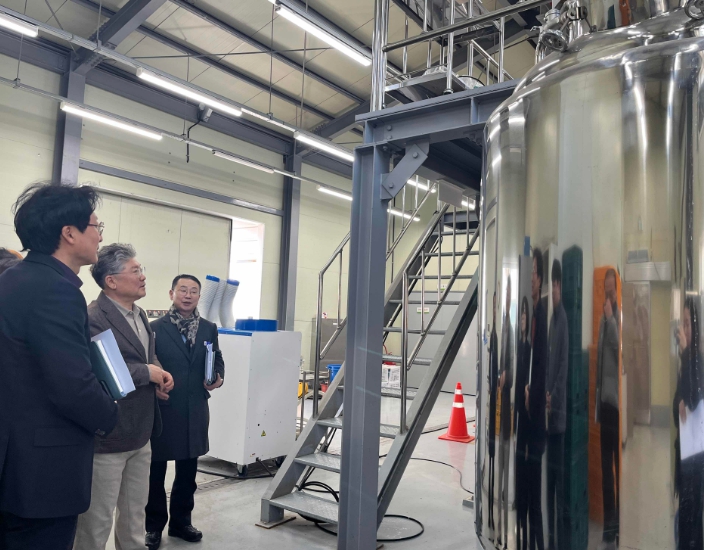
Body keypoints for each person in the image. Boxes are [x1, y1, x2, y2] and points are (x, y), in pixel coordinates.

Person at [0, 183, 118, 549]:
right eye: (96, 226)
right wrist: (110, 413)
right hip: (42, 472)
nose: (100, 236)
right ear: (69, 233)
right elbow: (72, 386)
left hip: (15, 462)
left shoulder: (13, 279)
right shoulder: (56, 290)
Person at [74, 244, 174, 550]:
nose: (143, 276)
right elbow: (98, 370)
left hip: (141, 433)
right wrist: (147, 373)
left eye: (141, 270)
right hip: (109, 437)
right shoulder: (94, 317)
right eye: (135, 271)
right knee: (96, 523)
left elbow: (146, 355)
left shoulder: (139, 314)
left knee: (134, 519)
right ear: (111, 281)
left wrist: (159, 373)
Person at [145, 275, 225, 549]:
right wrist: (153, 386)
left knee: (188, 473)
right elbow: (147, 362)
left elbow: (217, 357)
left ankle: (181, 523)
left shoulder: (208, 328)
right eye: (183, 290)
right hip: (165, 407)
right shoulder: (155, 328)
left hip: (195, 408)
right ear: (172, 294)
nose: (188, 295)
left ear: (199, 296)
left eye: (193, 291)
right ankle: (154, 527)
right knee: (155, 472)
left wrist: (218, 377)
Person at [674, 298, 704, 550]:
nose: (685, 329)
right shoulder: (686, 362)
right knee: (684, 528)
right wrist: (678, 404)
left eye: (688, 323)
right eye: (683, 324)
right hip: (684, 460)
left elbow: (693, 399)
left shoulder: (698, 362)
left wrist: (685, 354)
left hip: (696, 465)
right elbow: (678, 406)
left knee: (693, 529)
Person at [596, 268, 620, 550]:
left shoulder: (616, 317)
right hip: (604, 404)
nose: (609, 293)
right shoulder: (603, 319)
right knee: (605, 472)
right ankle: (608, 531)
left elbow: (618, 348)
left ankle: (618, 528)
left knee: (617, 471)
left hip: (616, 407)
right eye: (606, 288)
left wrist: (612, 317)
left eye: (612, 289)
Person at [525, 248, 548, 550]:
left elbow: (542, 364)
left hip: (537, 417)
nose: (529, 277)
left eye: (532, 272)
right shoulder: (531, 313)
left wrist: (534, 392)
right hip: (529, 413)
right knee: (529, 489)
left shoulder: (541, 315)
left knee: (536, 492)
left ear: (540, 280)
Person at [546, 260, 569, 550]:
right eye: (550, 284)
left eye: (555, 284)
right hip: (549, 415)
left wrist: (553, 396)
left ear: (560, 286)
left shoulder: (562, 320)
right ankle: (551, 539)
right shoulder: (552, 320)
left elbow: (563, 367)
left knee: (559, 484)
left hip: (558, 417)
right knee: (549, 483)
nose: (552, 289)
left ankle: (560, 541)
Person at [497, 277, 513, 549]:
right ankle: (498, 488)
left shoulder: (509, 326)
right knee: (498, 444)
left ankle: (504, 490)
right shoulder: (501, 326)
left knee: (506, 443)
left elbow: (510, 360)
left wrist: (506, 374)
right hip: (498, 394)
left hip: (508, 394)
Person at [515, 295, 531, 550]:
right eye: (521, 317)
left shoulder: (530, 346)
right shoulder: (518, 345)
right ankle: (519, 507)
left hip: (529, 410)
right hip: (519, 407)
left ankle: (526, 505)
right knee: (519, 458)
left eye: (526, 317)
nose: (523, 321)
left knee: (527, 461)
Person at [487, 291, 499, 536]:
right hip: (490, 400)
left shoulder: (499, 336)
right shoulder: (492, 334)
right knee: (490, 452)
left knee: (498, 451)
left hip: (500, 402)